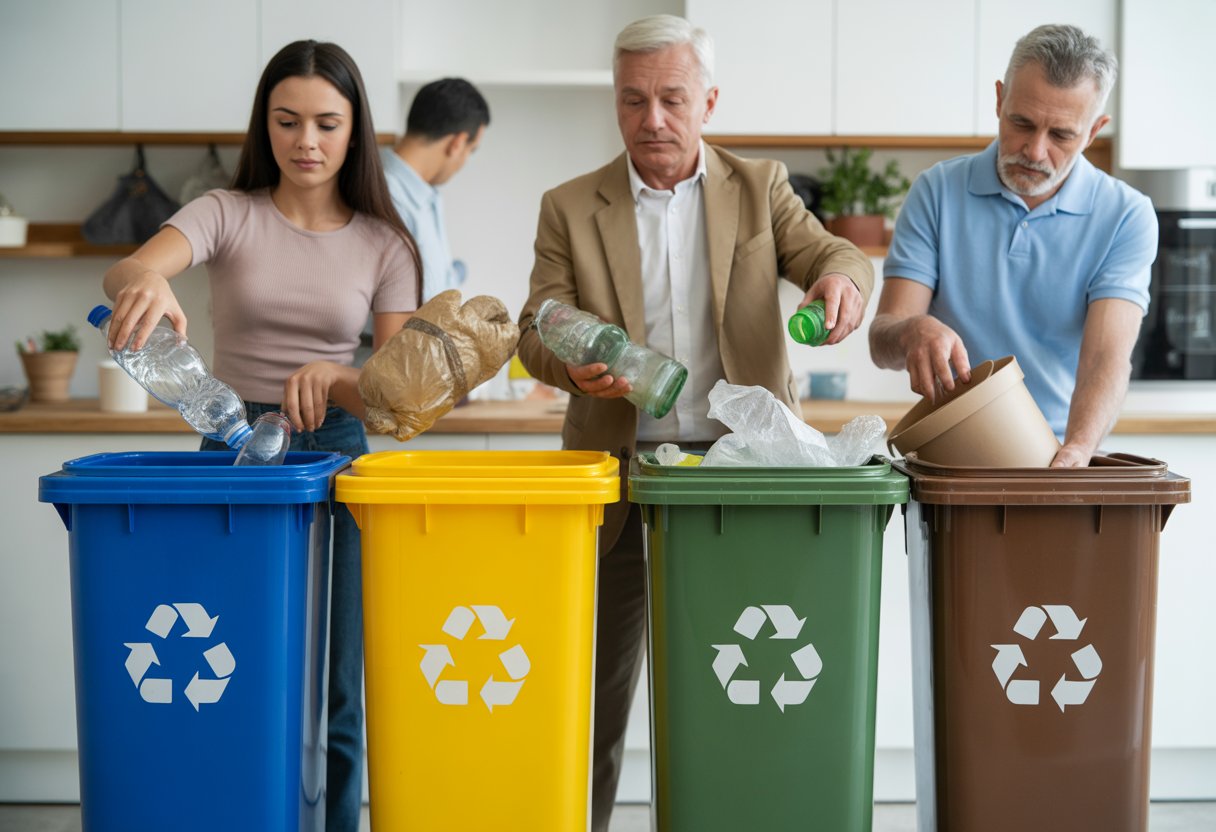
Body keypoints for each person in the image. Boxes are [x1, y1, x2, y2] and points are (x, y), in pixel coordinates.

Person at [514, 14, 873, 831]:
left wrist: (843, 286)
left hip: (737, 477)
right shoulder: (570, 206)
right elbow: (535, 327)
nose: (653, 121)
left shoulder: (759, 187)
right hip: (617, 478)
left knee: (746, 678)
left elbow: (832, 256)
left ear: (708, 100)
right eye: (634, 100)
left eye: (673, 98)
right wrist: (566, 364)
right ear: (615, 102)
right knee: (595, 694)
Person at [100, 40, 420, 832]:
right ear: (264, 126)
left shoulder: (387, 243)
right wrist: (143, 281)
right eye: (286, 121)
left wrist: (336, 377)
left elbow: (401, 392)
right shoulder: (224, 213)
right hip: (230, 444)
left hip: (338, 448)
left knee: (340, 679)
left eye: (325, 122)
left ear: (355, 131)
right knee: (229, 653)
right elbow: (130, 271)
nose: (305, 141)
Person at [870, 24, 1157, 467]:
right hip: (951, 454)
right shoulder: (937, 191)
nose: (1035, 151)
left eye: (1061, 135)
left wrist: (1078, 449)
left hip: (1059, 452)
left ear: (1094, 130)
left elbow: (1105, 357)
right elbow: (882, 339)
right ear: (1000, 99)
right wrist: (912, 329)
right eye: (1022, 122)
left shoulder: (1126, 215)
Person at [384, 77, 490, 302]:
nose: (465, 160)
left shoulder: (426, 194)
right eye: (471, 150)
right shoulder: (387, 196)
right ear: (457, 143)